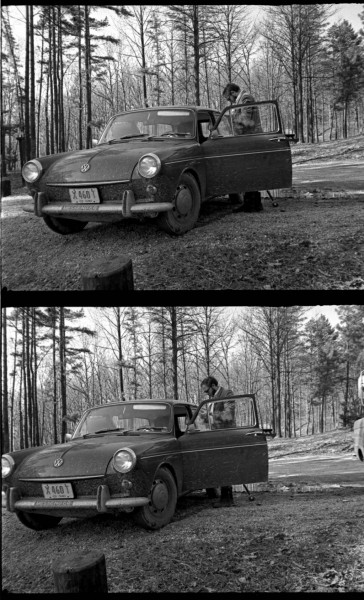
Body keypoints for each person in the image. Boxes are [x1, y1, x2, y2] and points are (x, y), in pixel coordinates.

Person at [222, 82, 263, 213]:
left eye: (229, 98)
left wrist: (232, 119)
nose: (230, 101)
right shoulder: (242, 100)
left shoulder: (246, 98)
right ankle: (253, 203)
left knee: (249, 170)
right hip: (246, 139)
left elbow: (247, 121)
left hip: (250, 139)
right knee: (248, 170)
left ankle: (252, 204)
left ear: (233, 93)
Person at [200, 376, 236, 508]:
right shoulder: (211, 399)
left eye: (206, 390)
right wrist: (202, 417)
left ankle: (227, 498)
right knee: (220, 465)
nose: (206, 393)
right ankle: (224, 496)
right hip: (215, 436)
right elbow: (208, 418)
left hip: (226, 435)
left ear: (214, 386)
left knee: (225, 465)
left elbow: (229, 414)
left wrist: (210, 416)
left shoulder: (227, 393)